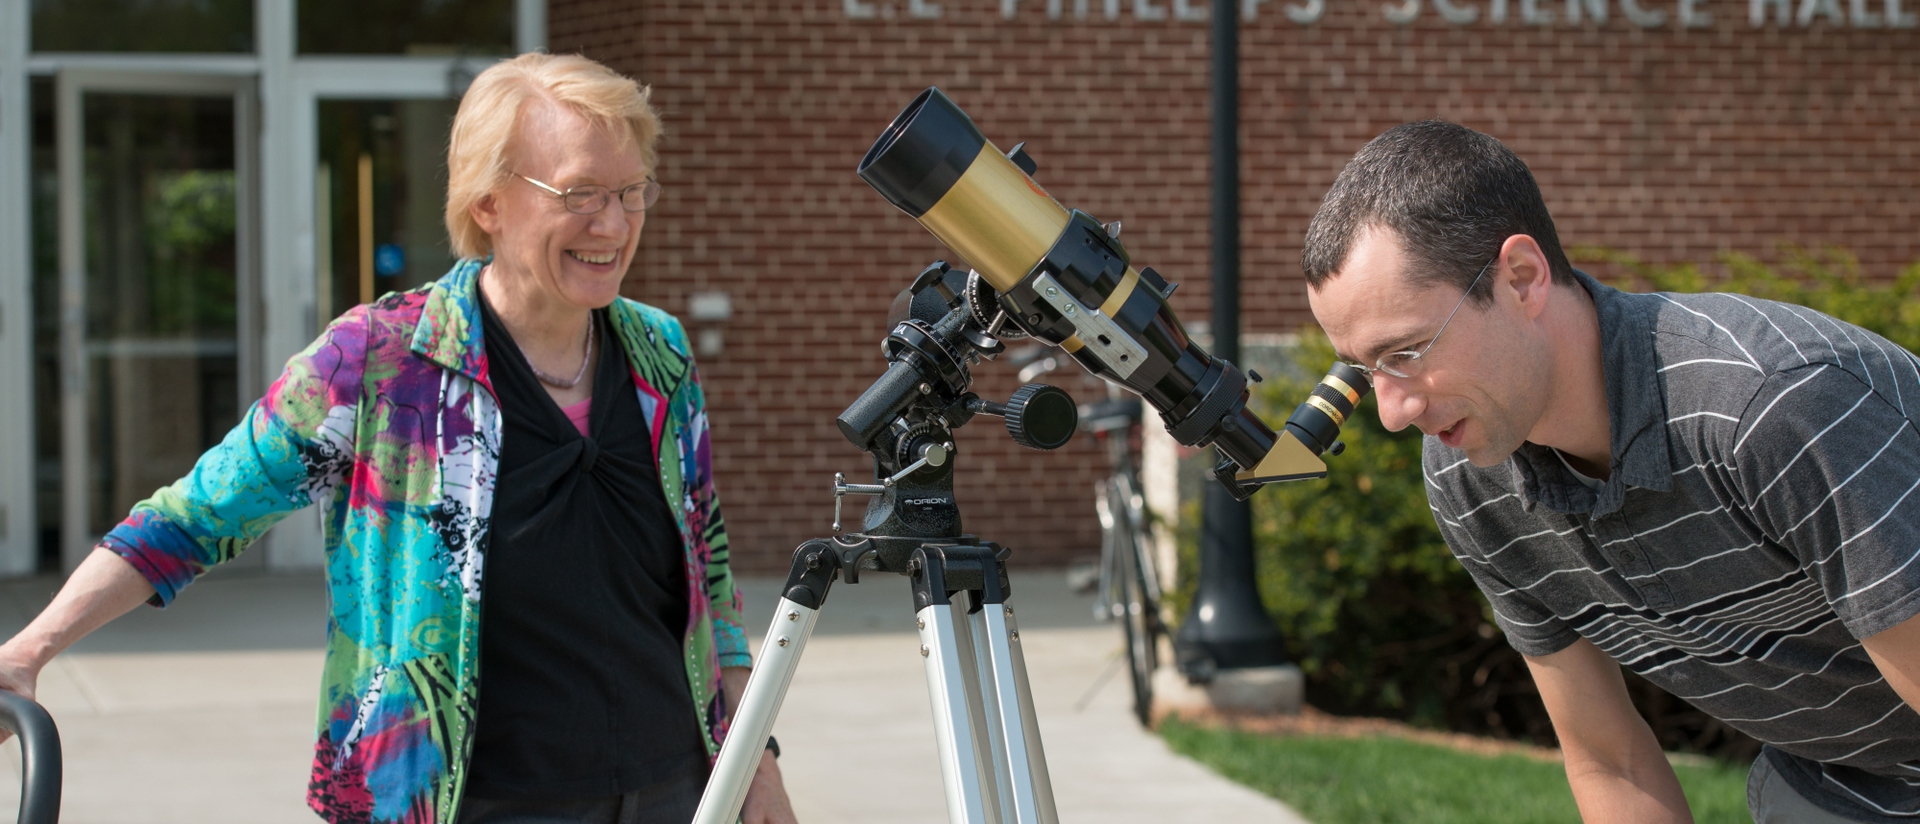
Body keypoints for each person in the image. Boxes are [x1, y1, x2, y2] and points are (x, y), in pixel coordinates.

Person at [0, 53, 797, 824]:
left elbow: (709, 579)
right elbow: (193, 518)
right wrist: (30, 650)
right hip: (462, 801)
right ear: (488, 201)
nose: (615, 224)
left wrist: (755, 761)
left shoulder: (660, 354)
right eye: (581, 193)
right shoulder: (380, 360)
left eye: (632, 190)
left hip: (676, 789)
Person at [1302, 120, 1920, 823]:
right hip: (1841, 783)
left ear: (1522, 279)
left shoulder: (1770, 408)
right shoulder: (1472, 481)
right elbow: (1610, 761)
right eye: (1365, 370)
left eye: (1407, 351)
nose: (1391, 411)